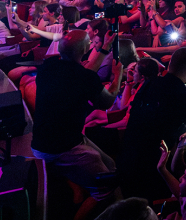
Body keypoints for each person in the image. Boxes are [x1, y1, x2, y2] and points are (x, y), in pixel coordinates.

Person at [31, 29, 124, 203]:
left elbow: (83, 75)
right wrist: (118, 76)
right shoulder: (83, 77)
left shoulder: (48, 68)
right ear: (84, 50)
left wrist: (105, 48)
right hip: (61, 148)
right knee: (108, 187)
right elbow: (108, 101)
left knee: (111, 165)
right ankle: (115, 209)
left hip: (45, 139)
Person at [119, 47, 186, 200]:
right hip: (151, 171)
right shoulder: (179, 93)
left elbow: (166, 109)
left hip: (127, 159)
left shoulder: (150, 83)